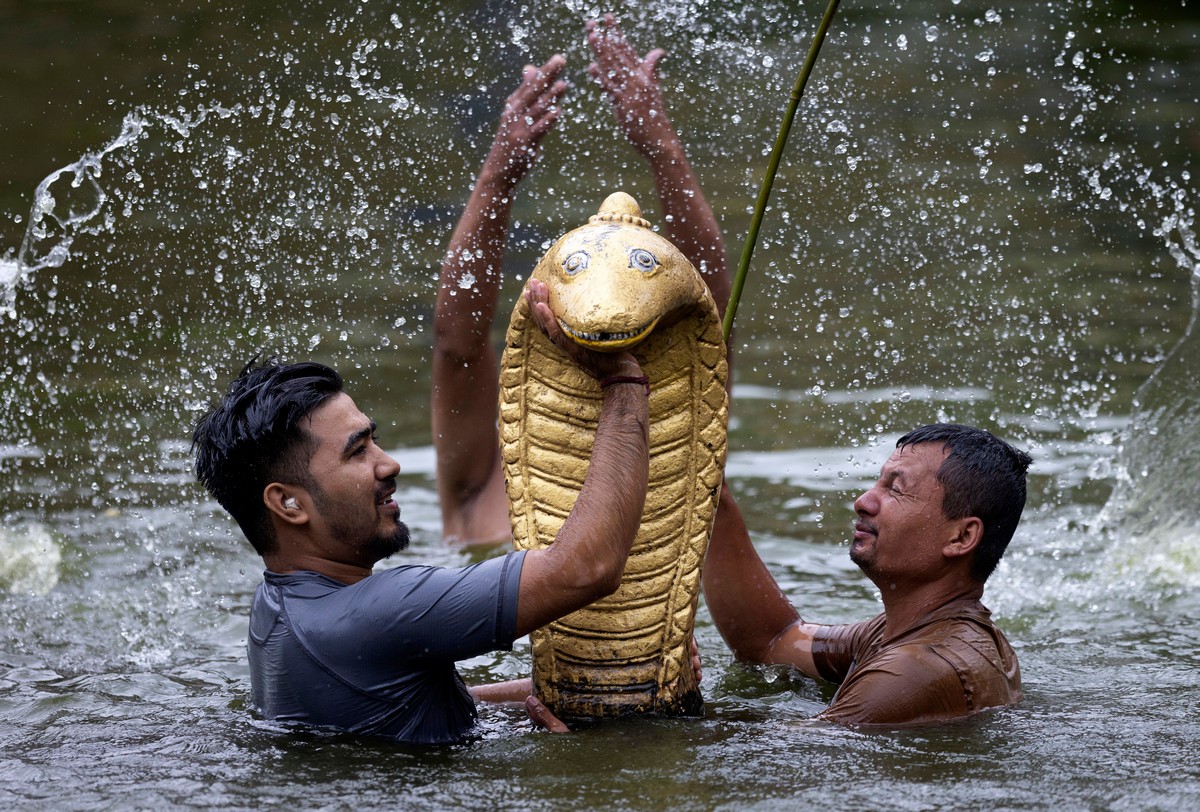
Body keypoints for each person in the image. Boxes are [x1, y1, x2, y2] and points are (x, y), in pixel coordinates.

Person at [191, 279, 651, 744]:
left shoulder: (278, 606)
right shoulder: (382, 610)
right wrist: (623, 382)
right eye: (358, 452)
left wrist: (604, 687)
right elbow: (586, 568)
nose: (388, 463)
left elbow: (403, 698)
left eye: (374, 439)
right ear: (287, 503)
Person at [433, 14, 731, 547]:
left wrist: (664, 151)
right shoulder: (487, 480)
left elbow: (709, 310)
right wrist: (497, 175)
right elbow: (457, 346)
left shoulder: (684, 456)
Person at [702, 423, 1032, 726]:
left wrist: (663, 684)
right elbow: (771, 641)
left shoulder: (918, 668)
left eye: (896, 490)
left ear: (961, 538)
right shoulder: (916, 630)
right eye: (878, 481)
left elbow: (787, 756)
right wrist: (712, 494)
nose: (863, 501)